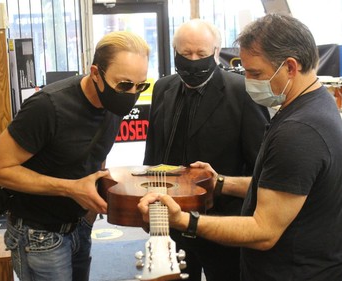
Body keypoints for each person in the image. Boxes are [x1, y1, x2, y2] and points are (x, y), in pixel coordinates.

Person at [139, 14, 342, 281]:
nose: (248, 79)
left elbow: (263, 231)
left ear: (290, 67)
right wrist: (220, 182)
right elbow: (276, 183)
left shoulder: (300, 131)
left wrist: (186, 221)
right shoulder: (312, 106)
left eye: (255, 73)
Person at [0, 31, 150, 281]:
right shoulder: (47, 107)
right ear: (95, 73)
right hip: (39, 233)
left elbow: (96, 156)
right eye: (124, 85)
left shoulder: (114, 105)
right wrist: (71, 188)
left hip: (80, 225)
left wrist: (92, 206)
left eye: (141, 85)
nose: (132, 93)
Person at [143, 19, 270, 281]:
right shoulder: (163, 88)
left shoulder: (243, 93)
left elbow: (261, 167)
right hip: (169, 222)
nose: (193, 60)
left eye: (201, 54)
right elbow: (153, 153)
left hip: (222, 224)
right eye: (185, 54)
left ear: (215, 51)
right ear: (174, 52)